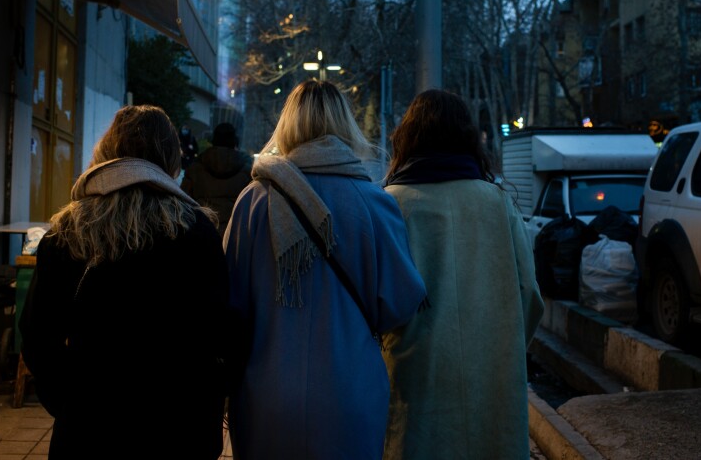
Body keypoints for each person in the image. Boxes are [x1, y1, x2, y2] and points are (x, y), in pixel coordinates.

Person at [223, 80, 428, 460]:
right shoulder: (373, 203)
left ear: (287, 126)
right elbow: (400, 305)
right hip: (349, 396)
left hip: (264, 396)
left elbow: (229, 305)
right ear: (345, 125)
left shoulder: (253, 201)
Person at [19, 105, 231, 459]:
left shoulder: (69, 231)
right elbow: (220, 332)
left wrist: (70, 403)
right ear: (171, 158)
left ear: (105, 152)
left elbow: (38, 335)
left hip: (90, 428)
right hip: (179, 428)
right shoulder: (196, 230)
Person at [381, 90, 545, 460]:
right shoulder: (496, 202)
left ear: (407, 137)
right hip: (491, 375)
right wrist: (503, 348)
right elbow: (529, 292)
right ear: (467, 137)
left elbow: (379, 299)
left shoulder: (391, 203)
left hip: (415, 372)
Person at [182, 122, 254, 233]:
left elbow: (183, 204)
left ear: (213, 140)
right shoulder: (248, 172)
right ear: (235, 141)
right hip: (236, 236)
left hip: (202, 235)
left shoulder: (195, 169)